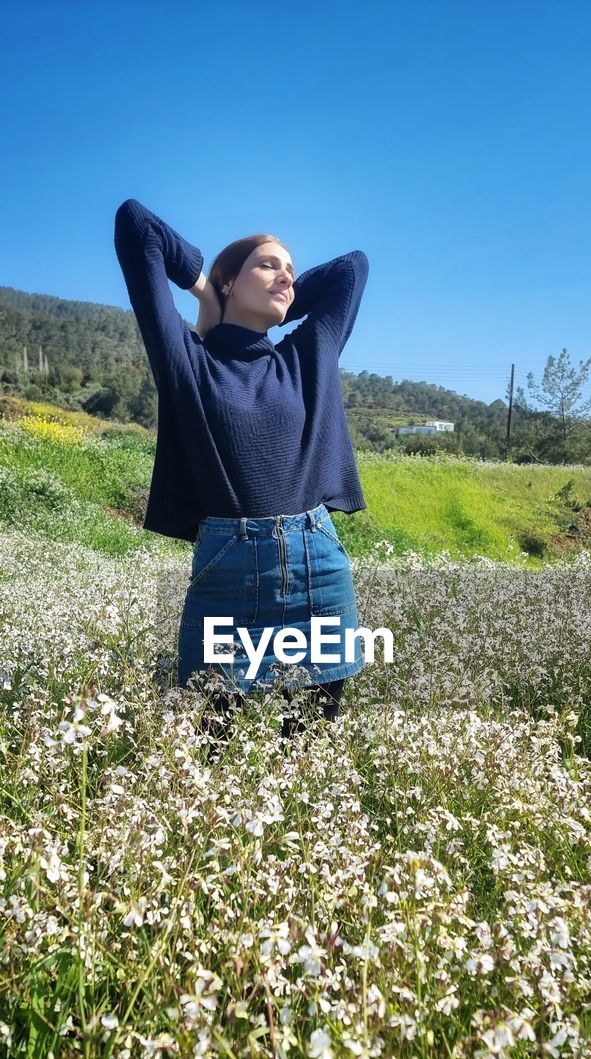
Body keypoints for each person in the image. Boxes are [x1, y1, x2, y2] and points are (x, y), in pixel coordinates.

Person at [113, 198, 370, 740]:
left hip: (316, 567)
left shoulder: (305, 355)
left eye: (293, 272)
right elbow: (137, 226)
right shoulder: (188, 360)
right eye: (268, 264)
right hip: (228, 569)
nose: (286, 276)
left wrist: (279, 297)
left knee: (307, 751)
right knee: (213, 749)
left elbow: (353, 268)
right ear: (230, 282)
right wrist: (205, 288)